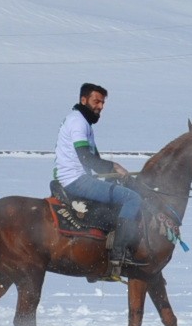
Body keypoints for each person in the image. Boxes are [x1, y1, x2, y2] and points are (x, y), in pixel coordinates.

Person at [53, 82, 146, 272]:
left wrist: (111, 174)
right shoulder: (78, 122)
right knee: (132, 198)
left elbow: (93, 160)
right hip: (76, 181)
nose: (100, 107)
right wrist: (115, 167)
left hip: (76, 177)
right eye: (96, 101)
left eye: (103, 103)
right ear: (83, 100)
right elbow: (86, 159)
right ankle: (118, 256)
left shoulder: (81, 120)